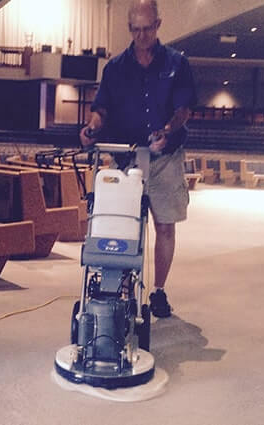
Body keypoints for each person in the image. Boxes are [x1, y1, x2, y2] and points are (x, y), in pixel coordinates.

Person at [79, 0, 197, 318]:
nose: (142, 35)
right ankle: (123, 282)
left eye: (147, 28)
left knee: (165, 226)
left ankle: (158, 291)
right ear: (129, 28)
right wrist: (92, 126)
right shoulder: (115, 68)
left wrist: (168, 130)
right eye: (136, 29)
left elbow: (184, 108)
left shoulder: (177, 63)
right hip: (126, 157)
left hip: (164, 155)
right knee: (121, 225)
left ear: (158, 25)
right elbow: (102, 108)